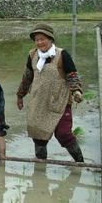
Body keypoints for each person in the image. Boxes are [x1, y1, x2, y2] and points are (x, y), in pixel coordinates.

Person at [16, 23, 84, 162]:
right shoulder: (32, 55)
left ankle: (80, 162)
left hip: (59, 102)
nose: (39, 42)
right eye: (37, 39)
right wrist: (20, 95)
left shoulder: (62, 54)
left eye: (42, 39)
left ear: (50, 39)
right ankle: (41, 167)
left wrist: (76, 90)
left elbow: (72, 75)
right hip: (38, 102)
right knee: (38, 135)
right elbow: (27, 77)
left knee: (64, 134)